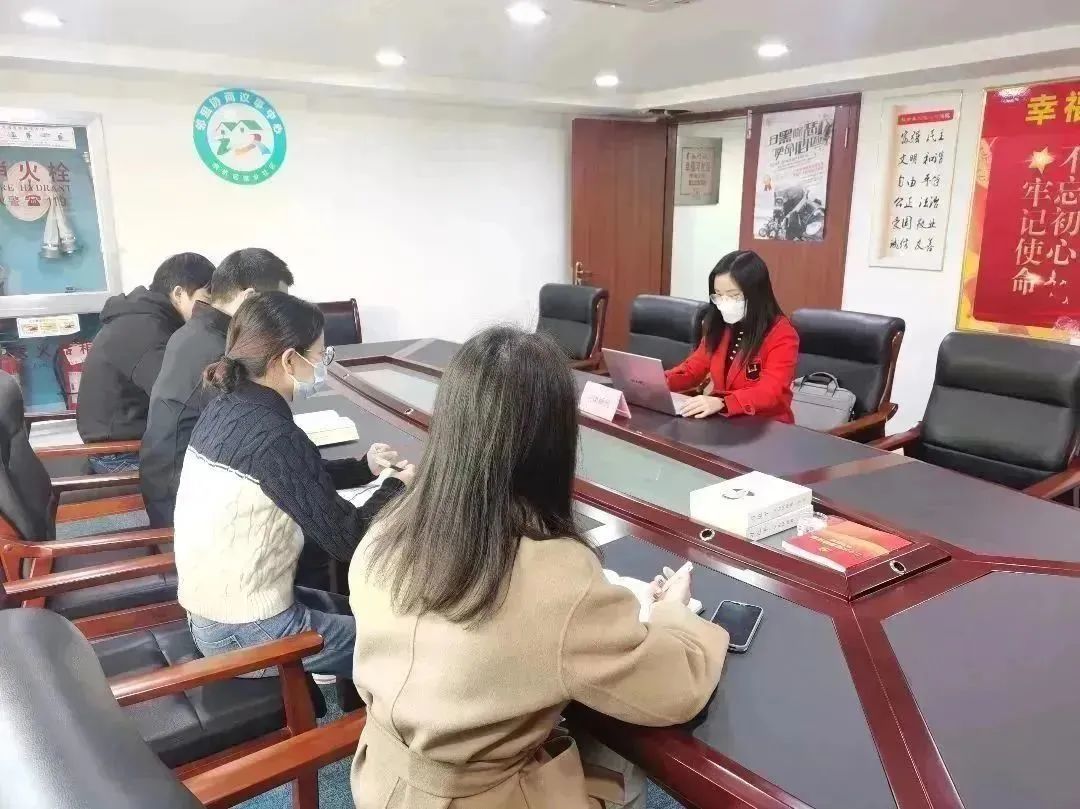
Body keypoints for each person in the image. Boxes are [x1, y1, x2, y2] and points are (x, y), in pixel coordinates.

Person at [349, 326, 729, 809]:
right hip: (481, 799)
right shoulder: (554, 573)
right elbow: (675, 690)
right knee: (622, 763)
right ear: (555, 439)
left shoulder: (388, 528)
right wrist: (673, 612)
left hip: (380, 779)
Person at [175, 291, 413, 678]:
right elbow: (349, 538)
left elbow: (294, 476)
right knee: (405, 647)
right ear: (289, 360)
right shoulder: (273, 434)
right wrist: (396, 487)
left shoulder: (228, 405)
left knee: (374, 614)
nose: (322, 366)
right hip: (245, 631)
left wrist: (364, 468)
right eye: (320, 357)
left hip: (216, 612)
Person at [139, 248, 293, 529]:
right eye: (276, 306)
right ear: (249, 298)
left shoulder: (196, 330)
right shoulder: (220, 352)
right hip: (184, 502)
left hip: (169, 479)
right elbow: (254, 432)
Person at [77, 253, 214, 473]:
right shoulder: (143, 329)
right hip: (120, 453)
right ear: (179, 293)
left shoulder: (147, 319)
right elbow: (179, 394)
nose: (211, 308)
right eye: (207, 298)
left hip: (130, 442)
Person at [666, 250, 799, 423]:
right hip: (725, 422)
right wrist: (653, 382)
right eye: (719, 295)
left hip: (766, 425)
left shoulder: (782, 334)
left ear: (756, 294)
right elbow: (693, 369)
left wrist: (724, 402)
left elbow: (770, 392)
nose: (724, 302)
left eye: (734, 295)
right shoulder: (718, 325)